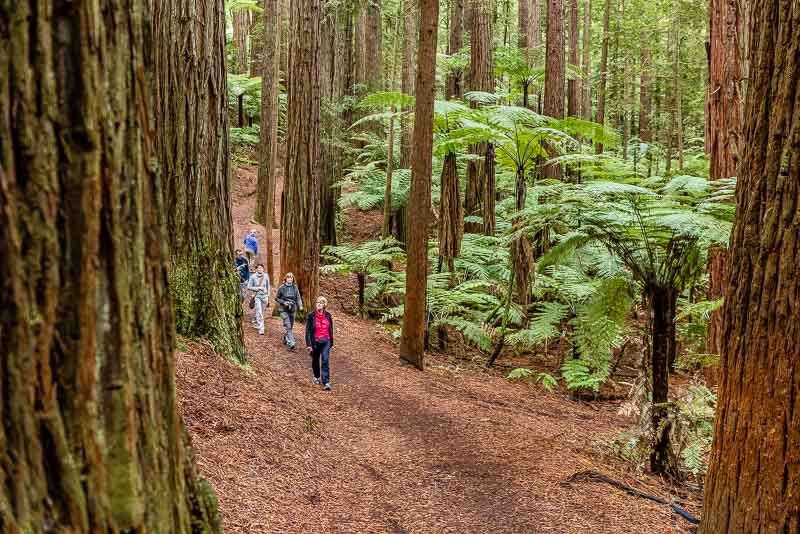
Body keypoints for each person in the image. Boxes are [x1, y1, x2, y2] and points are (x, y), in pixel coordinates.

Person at [306, 296, 334, 390]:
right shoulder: (311, 315)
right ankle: (317, 376)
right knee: (315, 360)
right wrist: (309, 345)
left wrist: (331, 343)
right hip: (315, 342)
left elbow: (331, 329)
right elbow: (308, 331)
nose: (319, 304)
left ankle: (326, 382)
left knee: (325, 361)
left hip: (326, 341)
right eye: (318, 302)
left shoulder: (328, 315)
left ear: (324, 305)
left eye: (321, 303)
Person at [275, 272, 303, 349]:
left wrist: (300, 305)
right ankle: (292, 342)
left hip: (292, 310)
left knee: (290, 327)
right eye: (288, 277)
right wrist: (284, 302)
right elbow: (277, 298)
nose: (290, 279)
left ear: (293, 279)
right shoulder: (281, 287)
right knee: (288, 326)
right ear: (285, 279)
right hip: (283, 310)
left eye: (291, 277)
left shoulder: (295, 287)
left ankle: (286, 338)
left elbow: (298, 298)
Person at [247, 264, 270, 336]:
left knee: (261, 312)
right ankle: (261, 328)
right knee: (259, 312)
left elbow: (268, 285)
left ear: (263, 269)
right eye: (259, 268)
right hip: (257, 296)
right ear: (256, 269)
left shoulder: (266, 276)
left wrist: (268, 295)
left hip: (265, 296)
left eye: (261, 268)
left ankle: (255, 320)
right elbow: (249, 287)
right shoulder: (253, 277)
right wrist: (258, 288)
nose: (260, 269)